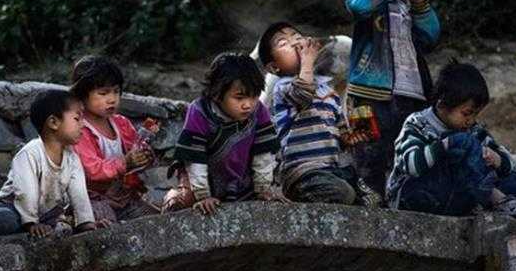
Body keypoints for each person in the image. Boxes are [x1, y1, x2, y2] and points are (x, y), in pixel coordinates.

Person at [344, 0, 441, 201]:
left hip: (412, 93)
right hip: (369, 93)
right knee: (370, 153)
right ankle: (370, 206)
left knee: (408, 152)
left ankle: (403, 204)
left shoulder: (408, 0)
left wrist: (421, 3)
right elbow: (359, 6)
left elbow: (431, 37)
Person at [386, 62, 516, 217]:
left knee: (510, 176)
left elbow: (507, 161)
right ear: (442, 104)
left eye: (475, 114)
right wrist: (445, 145)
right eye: (466, 113)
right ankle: (497, 198)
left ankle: (510, 205)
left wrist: (497, 159)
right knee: (462, 143)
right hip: (414, 194)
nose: (471, 120)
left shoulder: (472, 129)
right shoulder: (417, 123)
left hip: (453, 196)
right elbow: (411, 166)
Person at [258, 22, 375, 206]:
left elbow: (338, 127)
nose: (295, 42)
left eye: (297, 37)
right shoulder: (284, 87)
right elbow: (303, 93)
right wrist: (307, 61)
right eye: (283, 43)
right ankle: (301, 197)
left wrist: (349, 138)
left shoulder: (328, 90)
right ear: (274, 68)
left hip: (330, 169)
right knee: (343, 193)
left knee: (368, 195)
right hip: (302, 172)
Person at [162, 52, 285, 215]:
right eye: (239, 98)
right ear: (217, 94)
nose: (248, 105)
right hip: (198, 179)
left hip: (241, 179)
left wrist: (263, 189)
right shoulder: (199, 111)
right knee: (182, 203)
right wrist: (203, 196)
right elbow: (195, 159)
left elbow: (263, 153)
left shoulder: (259, 111)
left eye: (254, 96)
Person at [0, 90, 101, 237]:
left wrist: (86, 222)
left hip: (45, 213)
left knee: (66, 226)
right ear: (53, 122)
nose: (83, 125)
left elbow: (79, 193)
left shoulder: (72, 158)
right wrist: (31, 222)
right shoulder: (30, 153)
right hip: (14, 207)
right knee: (6, 221)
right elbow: (26, 192)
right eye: (77, 119)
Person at [70, 55, 159, 222]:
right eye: (103, 93)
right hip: (93, 200)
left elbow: (135, 154)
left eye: (116, 91)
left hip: (123, 197)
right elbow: (92, 170)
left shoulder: (121, 123)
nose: (112, 99)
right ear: (82, 95)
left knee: (157, 221)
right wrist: (126, 162)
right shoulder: (80, 129)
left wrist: (145, 156)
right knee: (108, 226)